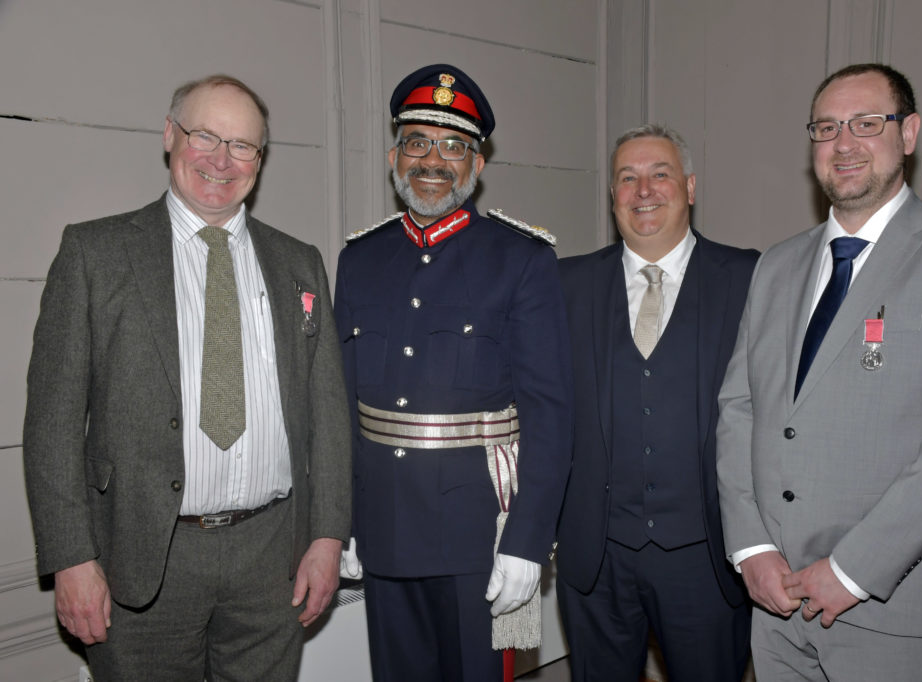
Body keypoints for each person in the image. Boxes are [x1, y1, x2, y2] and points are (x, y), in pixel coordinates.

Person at [22, 74, 351, 681]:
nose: (222, 159)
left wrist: (328, 537)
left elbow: (328, 416)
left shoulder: (298, 263)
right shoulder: (95, 255)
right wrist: (71, 558)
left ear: (260, 159)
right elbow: (52, 424)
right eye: (206, 135)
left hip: (270, 558)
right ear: (170, 135)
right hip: (142, 561)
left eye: (243, 145)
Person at [716, 62, 922, 680]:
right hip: (778, 607)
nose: (844, 143)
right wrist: (750, 547)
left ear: (908, 134)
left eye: (866, 123)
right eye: (826, 128)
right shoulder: (776, 265)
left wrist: (852, 569)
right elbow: (739, 408)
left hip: (895, 608)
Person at [333, 63, 572, 682]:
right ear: (394, 155)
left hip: (479, 539)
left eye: (453, 146)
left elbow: (550, 419)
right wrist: (342, 523)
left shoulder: (522, 261)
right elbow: (339, 409)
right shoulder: (360, 259)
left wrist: (527, 541)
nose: (432, 160)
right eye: (417, 141)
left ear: (477, 165)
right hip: (383, 529)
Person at [556, 124, 756, 681]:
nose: (643, 189)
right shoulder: (563, 284)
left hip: (707, 559)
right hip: (595, 557)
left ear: (689, 187)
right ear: (613, 196)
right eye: (627, 178)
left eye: (659, 174)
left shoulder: (750, 277)